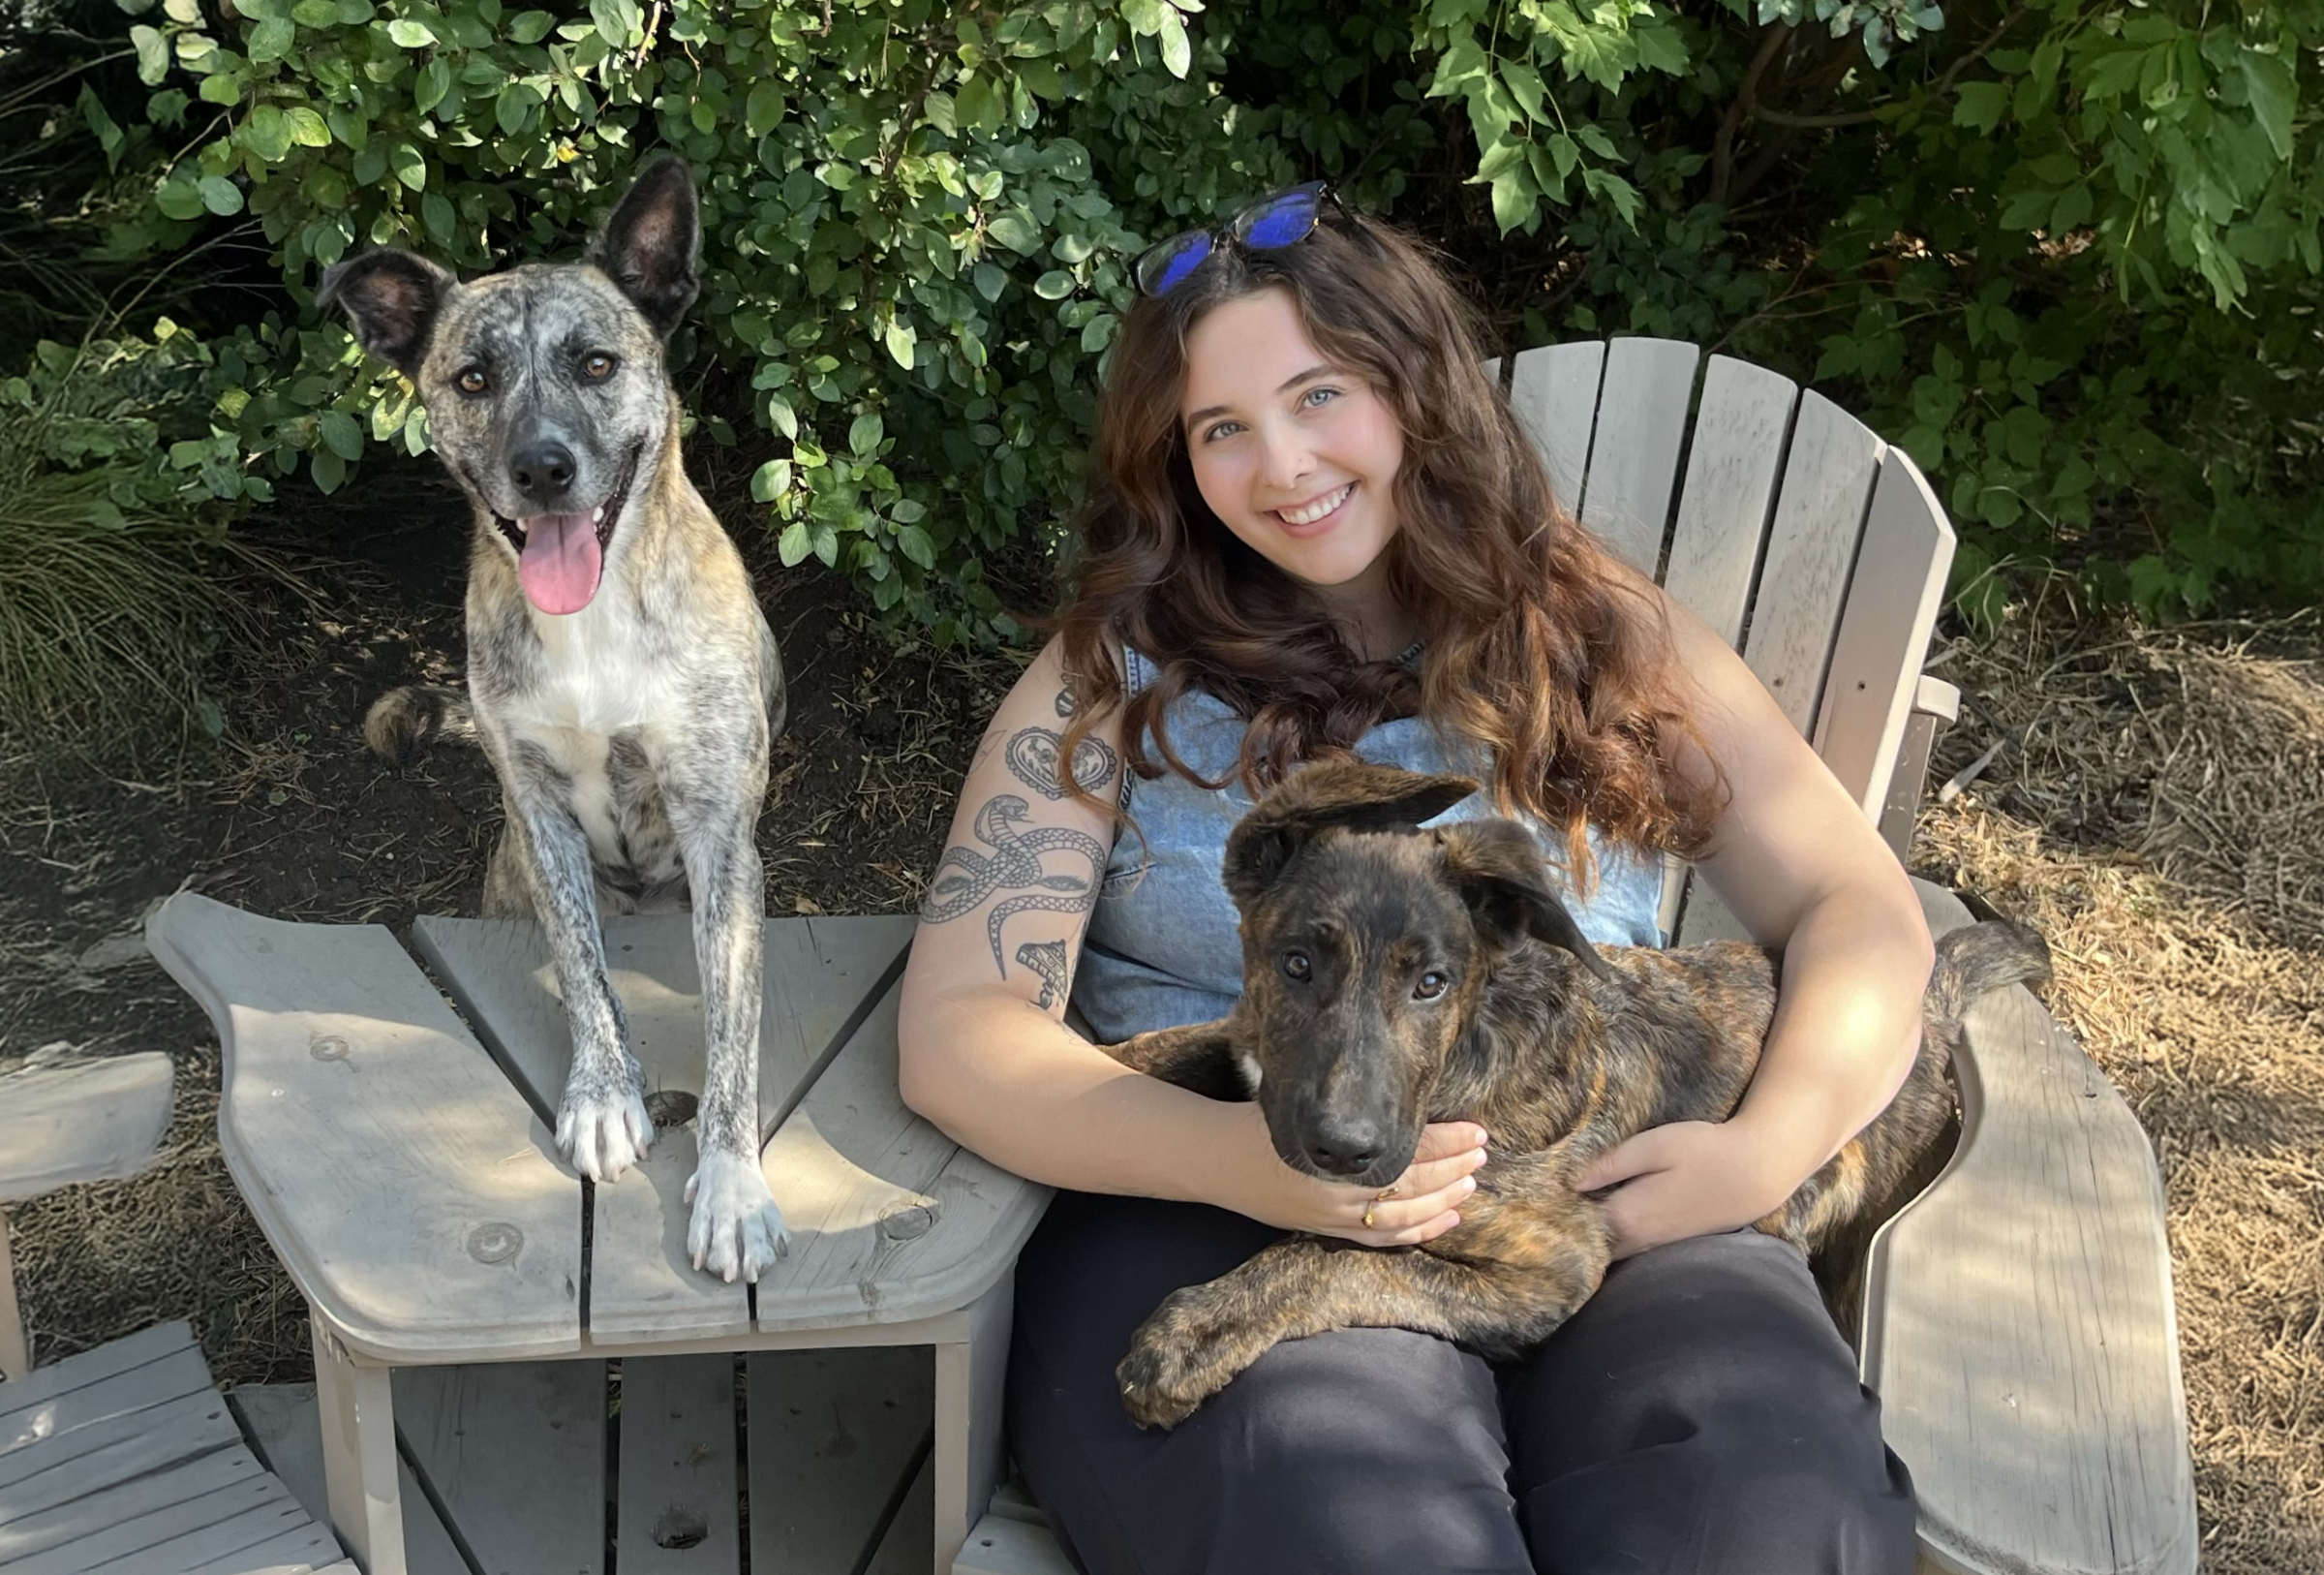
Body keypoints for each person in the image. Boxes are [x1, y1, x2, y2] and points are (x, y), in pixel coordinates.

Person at [896, 182, 1934, 1575]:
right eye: (1222, 429)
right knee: (1351, 1522)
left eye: (1320, 394)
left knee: (1757, 1501)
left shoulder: (1590, 634)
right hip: (1200, 1201)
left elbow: (1857, 909)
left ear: (1416, 387)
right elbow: (958, 1025)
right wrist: (1246, 1161)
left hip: (1601, 1191)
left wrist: (1765, 1147)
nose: (1280, 465)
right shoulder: (1117, 680)